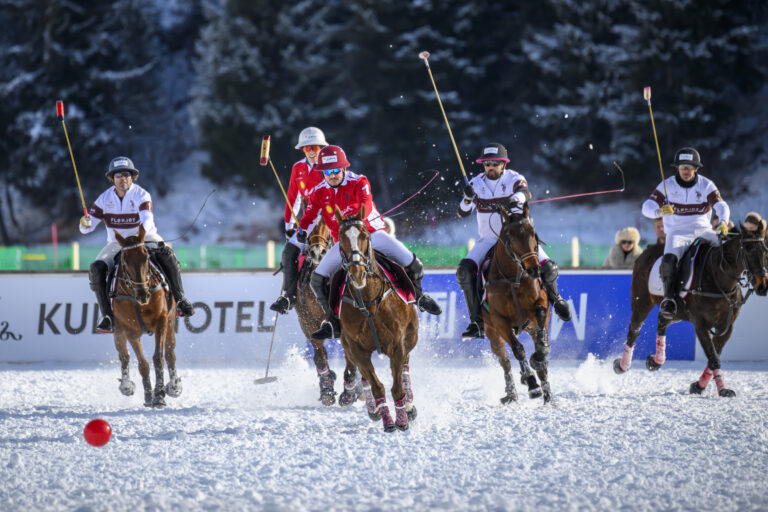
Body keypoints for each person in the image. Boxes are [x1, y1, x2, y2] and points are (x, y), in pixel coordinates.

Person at [297, 145, 442, 339]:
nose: (332, 175)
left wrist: (350, 217)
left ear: (343, 169)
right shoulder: (317, 191)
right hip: (345, 244)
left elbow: (364, 203)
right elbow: (310, 214)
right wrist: (301, 229)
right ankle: (332, 321)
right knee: (317, 278)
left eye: (335, 171)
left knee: (413, 263)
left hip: (372, 235)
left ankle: (419, 296)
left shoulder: (359, 181)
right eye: (327, 172)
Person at [456, 143, 571, 340]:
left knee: (548, 267)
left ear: (503, 164)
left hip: (518, 238)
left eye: (495, 163)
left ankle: (556, 298)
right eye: (486, 164)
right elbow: (461, 213)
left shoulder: (514, 178)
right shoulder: (476, 183)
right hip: (489, 240)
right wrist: (467, 199)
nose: (490, 167)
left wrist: (512, 200)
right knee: (464, 270)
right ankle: (477, 321)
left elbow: (525, 193)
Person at [79, 156, 194, 333]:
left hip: (144, 237)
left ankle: (180, 299)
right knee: (96, 269)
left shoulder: (141, 194)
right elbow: (87, 228)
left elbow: (147, 220)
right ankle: (108, 316)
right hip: (117, 243)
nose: (122, 178)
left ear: (132, 177)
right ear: (112, 178)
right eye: (118, 175)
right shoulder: (104, 199)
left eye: (126, 174)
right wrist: (85, 223)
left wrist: (137, 238)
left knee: (167, 254)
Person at [641, 147, 730, 319]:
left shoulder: (706, 185)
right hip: (677, 232)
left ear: (696, 168)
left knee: (725, 254)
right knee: (668, 261)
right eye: (682, 167)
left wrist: (724, 222)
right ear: (677, 168)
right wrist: (659, 212)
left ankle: (731, 292)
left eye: (689, 167)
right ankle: (669, 300)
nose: (686, 171)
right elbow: (647, 207)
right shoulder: (667, 185)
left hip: (703, 230)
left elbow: (721, 205)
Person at [270, 127, 329, 314]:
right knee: (289, 251)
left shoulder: (331, 164)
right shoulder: (298, 168)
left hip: (331, 219)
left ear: (321, 147)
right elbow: (293, 198)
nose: (311, 152)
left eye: (315, 147)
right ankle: (289, 297)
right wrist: (290, 226)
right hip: (309, 221)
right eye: (306, 148)